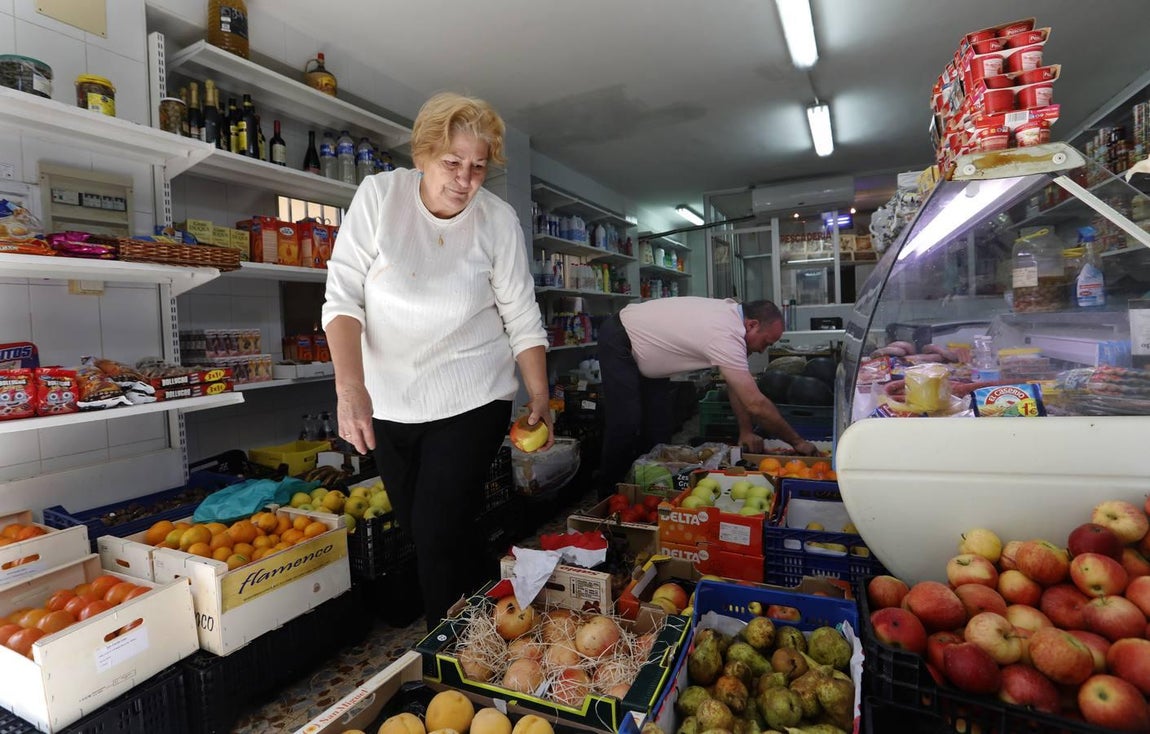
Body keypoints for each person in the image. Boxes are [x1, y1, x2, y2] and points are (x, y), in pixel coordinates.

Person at [322, 92, 552, 628]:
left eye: (477, 167)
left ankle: (449, 669)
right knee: (426, 528)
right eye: (452, 162)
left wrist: (539, 393)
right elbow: (343, 297)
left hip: (473, 394)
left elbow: (521, 313)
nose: (465, 179)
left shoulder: (498, 220)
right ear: (422, 155)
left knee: (436, 530)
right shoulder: (380, 197)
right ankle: (495, 617)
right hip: (391, 398)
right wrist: (349, 388)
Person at [597, 297, 818, 495]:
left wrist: (746, 431)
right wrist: (798, 442)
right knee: (626, 423)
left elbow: (735, 385)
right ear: (752, 325)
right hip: (622, 337)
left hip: (650, 354)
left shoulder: (733, 315)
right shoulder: (725, 333)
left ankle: (645, 489)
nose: (763, 350)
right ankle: (608, 494)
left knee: (659, 428)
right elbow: (755, 404)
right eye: (766, 343)